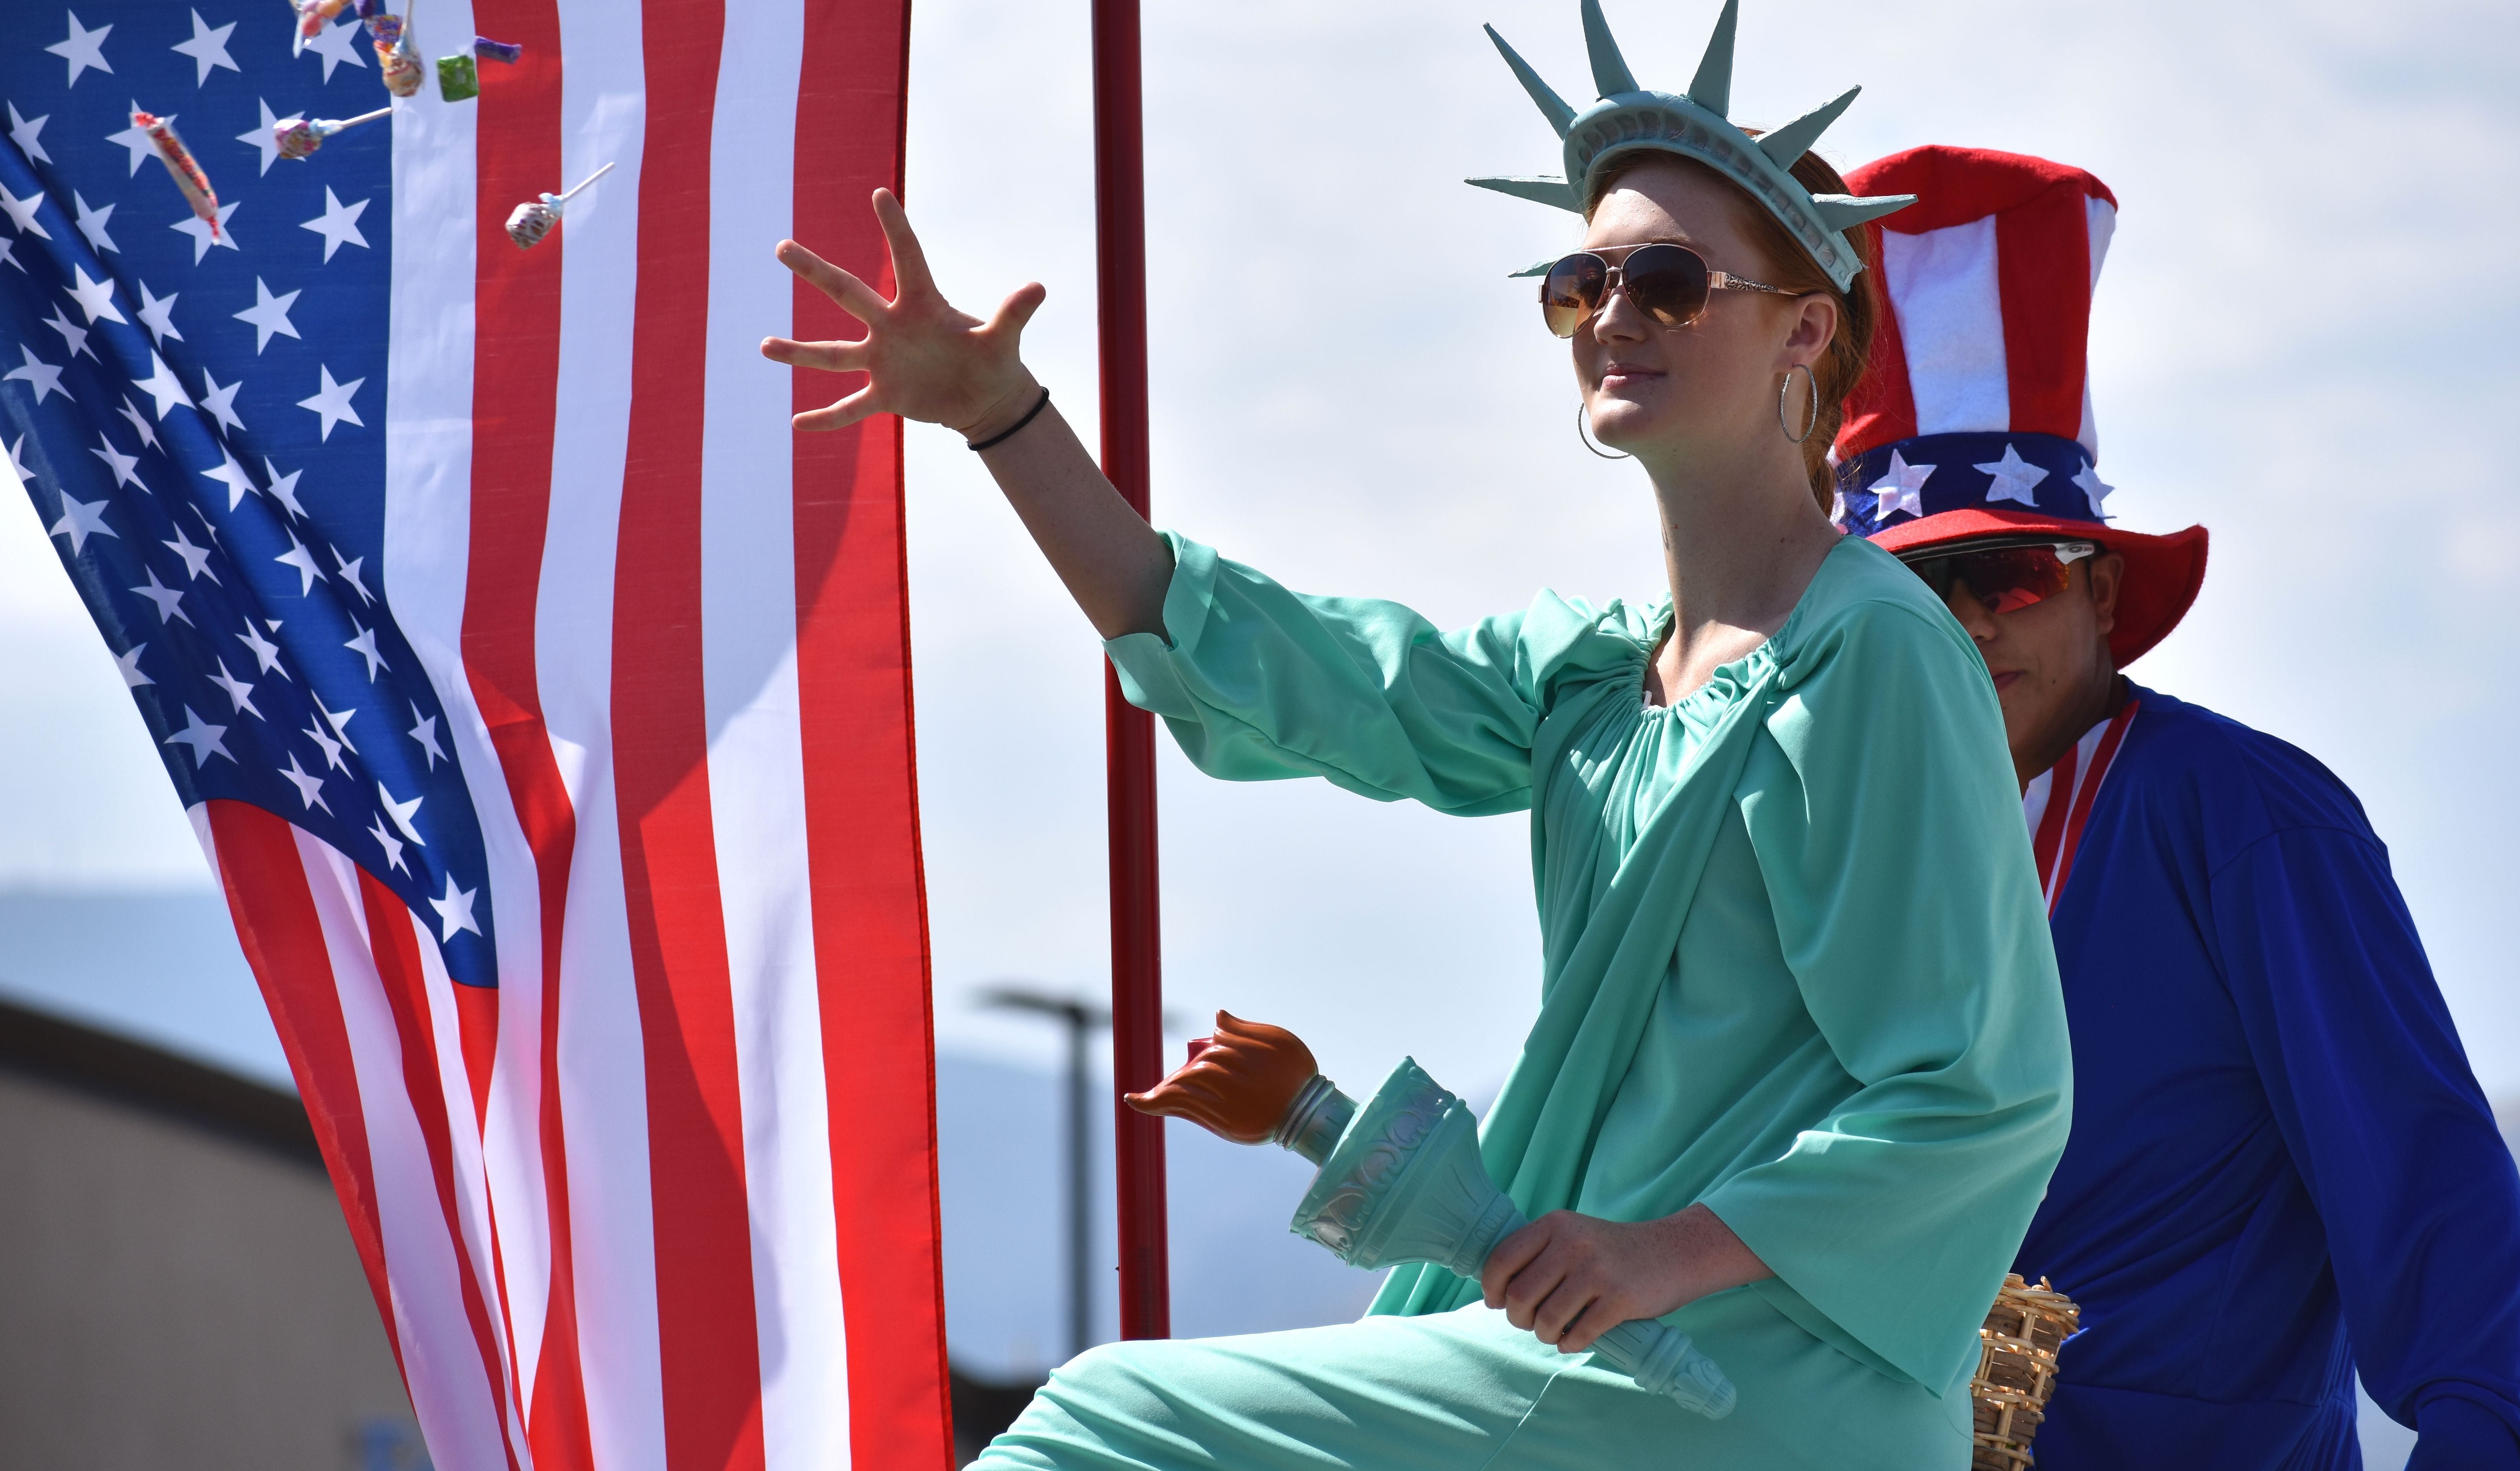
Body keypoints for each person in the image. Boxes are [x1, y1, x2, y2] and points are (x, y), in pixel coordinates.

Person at [764, 8, 2072, 1466]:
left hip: (1750, 1379)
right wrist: (1003, 416)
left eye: (1671, 280)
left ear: (1808, 328)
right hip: (1590, 1352)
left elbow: (1983, 1095)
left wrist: (1661, 1256)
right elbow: (1280, 666)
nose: (1617, 314)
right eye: (1584, 283)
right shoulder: (1586, 676)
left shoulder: (1876, 656)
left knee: (1095, 1426)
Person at [1830, 144, 2520, 1471]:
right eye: (1921, 588)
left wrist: (2472, 1430)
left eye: (2013, 575)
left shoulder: (2244, 819)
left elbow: (2412, 1153)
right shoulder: (1826, 841)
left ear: (2104, 594)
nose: (1971, 620)